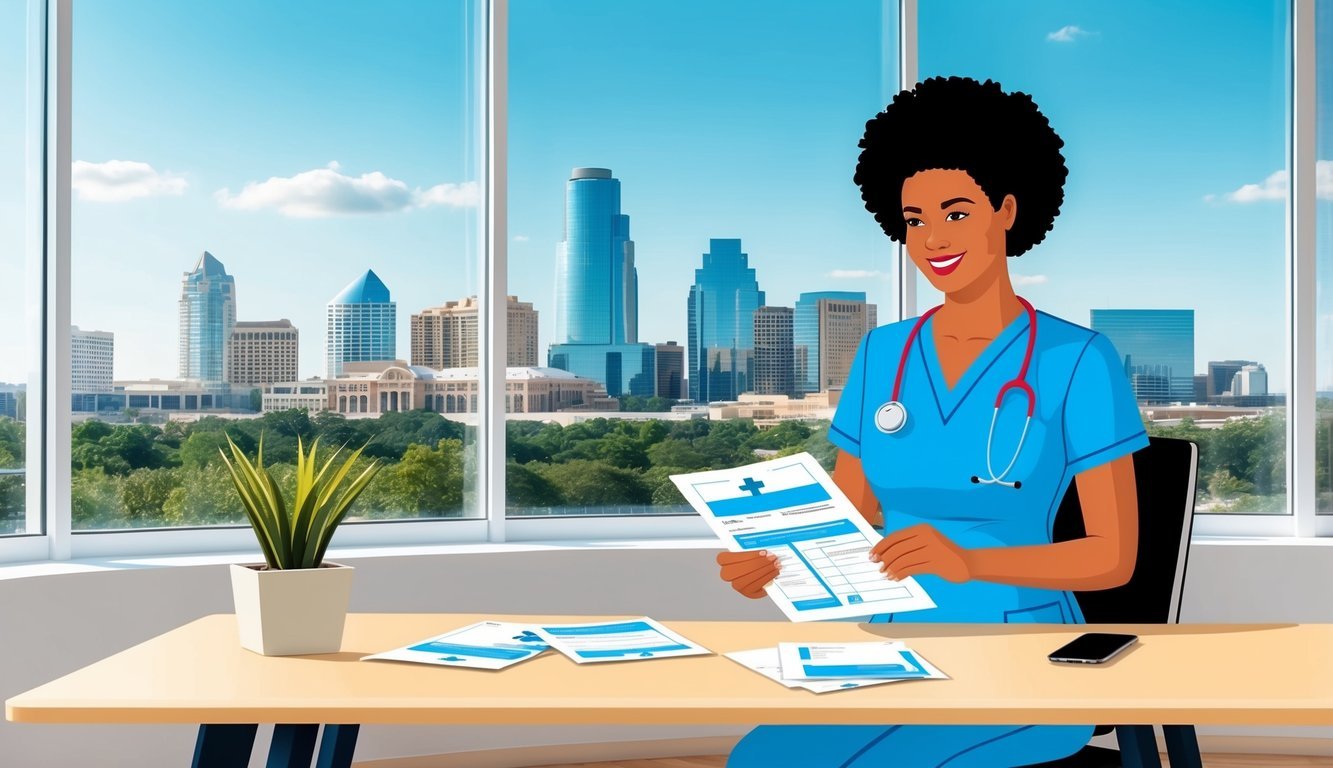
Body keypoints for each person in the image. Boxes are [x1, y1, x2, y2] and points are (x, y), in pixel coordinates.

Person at [716, 76, 1148, 767]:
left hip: (1022, 651)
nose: (931, 240)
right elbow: (848, 515)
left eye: (955, 213)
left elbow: (1111, 556)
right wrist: (776, 564)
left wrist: (968, 562)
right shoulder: (883, 353)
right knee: (760, 758)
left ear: (1006, 209)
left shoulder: (1076, 360)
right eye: (914, 219)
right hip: (886, 646)